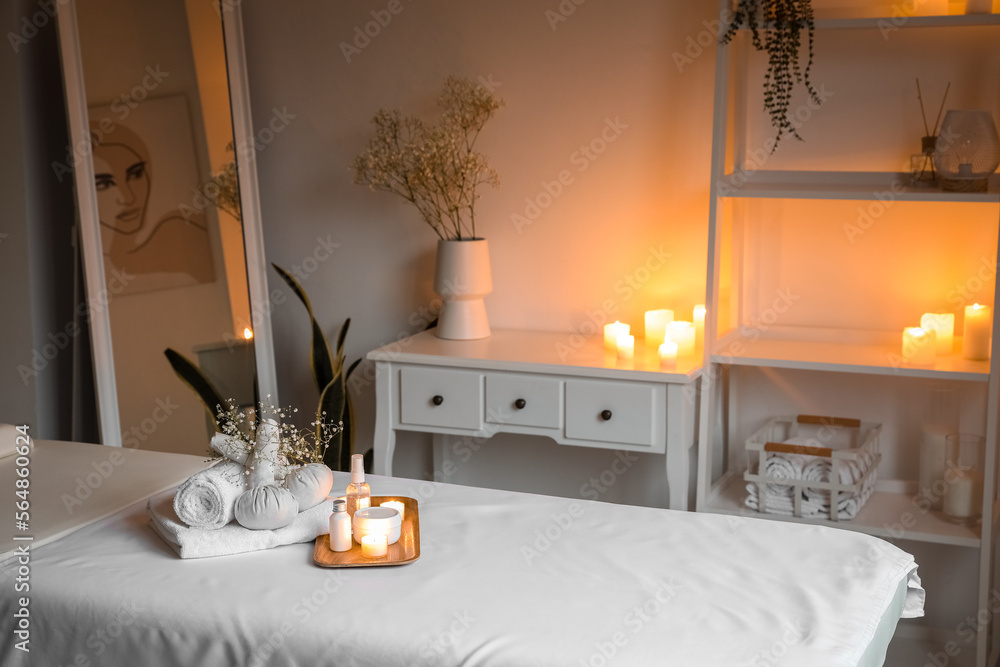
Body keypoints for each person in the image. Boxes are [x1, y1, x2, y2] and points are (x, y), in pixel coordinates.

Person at [91, 121, 215, 287]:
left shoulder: (180, 230)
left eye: (135, 174)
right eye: (104, 184)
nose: (128, 197)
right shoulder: (94, 272)